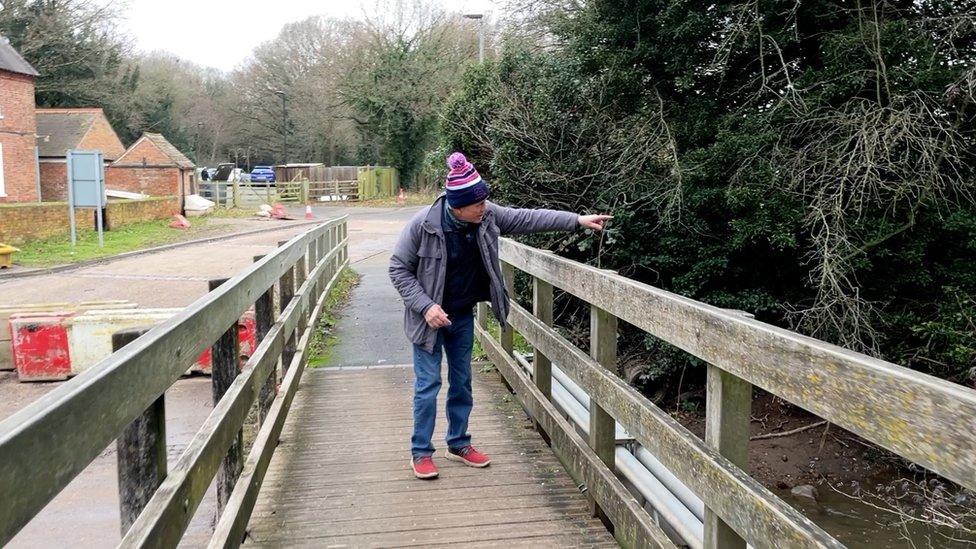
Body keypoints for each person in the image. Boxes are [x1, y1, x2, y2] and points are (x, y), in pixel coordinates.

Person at [389, 152, 612, 479]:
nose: (485, 206)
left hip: (461, 314)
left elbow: (529, 219)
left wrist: (575, 220)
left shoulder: (486, 216)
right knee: (428, 384)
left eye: (485, 201)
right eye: (478, 203)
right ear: (458, 207)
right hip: (428, 320)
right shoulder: (424, 225)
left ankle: (459, 443)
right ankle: (421, 452)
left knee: (462, 381)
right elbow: (398, 269)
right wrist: (425, 306)